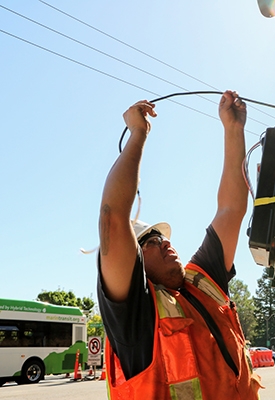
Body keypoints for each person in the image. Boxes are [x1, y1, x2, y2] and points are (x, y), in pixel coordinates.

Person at [97, 91, 262, 399]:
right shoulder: (134, 318)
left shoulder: (200, 285)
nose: (165, 243)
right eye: (153, 241)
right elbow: (113, 219)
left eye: (166, 238)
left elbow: (230, 210)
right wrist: (137, 135)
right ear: (134, 260)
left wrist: (233, 130)